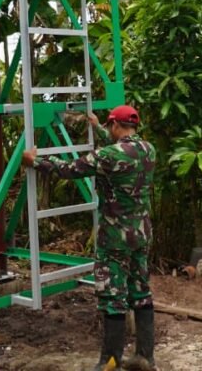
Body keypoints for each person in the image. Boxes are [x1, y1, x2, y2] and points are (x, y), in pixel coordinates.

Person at [22, 104, 157, 371]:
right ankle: (145, 357)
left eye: (109, 126)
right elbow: (122, 149)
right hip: (142, 233)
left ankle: (110, 363)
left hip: (115, 238)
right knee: (140, 291)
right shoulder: (148, 150)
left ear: (115, 125)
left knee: (112, 296)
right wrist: (97, 127)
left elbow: (69, 169)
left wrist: (34, 161)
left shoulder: (107, 156)